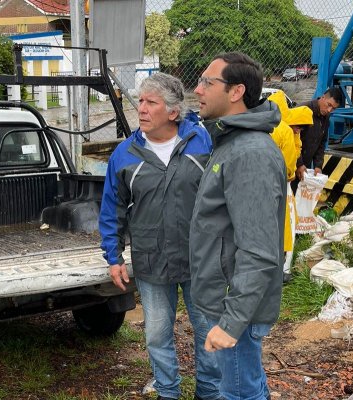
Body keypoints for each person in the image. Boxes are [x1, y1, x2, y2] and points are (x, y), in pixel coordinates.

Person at [99, 72, 221, 400]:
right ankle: (169, 392)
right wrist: (113, 256)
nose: (141, 109)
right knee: (156, 334)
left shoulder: (201, 142)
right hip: (152, 260)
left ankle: (208, 393)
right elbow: (112, 210)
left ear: (172, 112)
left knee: (208, 330)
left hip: (200, 258)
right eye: (140, 101)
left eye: (151, 102)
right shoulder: (125, 154)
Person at [190, 52, 286, 400]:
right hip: (226, 300)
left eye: (206, 82)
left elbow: (259, 251)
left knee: (240, 393)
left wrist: (231, 322)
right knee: (245, 384)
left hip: (235, 309)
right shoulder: (230, 143)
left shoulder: (249, 154)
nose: (197, 89)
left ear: (236, 92)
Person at [268, 91, 314, 282]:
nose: (299, 131)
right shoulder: (285, 131)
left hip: (261, 184)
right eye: (299, 128)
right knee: (287, 225)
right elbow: (288, 165)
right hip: (281, 184)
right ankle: (283, 270)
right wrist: (290, 174)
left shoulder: (260, 126)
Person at [293, 86, 343, 191]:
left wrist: (318, 165)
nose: (329, 110)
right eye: (329, 105)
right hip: (289, 165)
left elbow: (321, 142)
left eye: (333, 108)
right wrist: (299, 164)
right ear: (323, 97)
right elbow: (291, 140)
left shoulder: (326, 117)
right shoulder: (303, 110)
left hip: (303, 169)